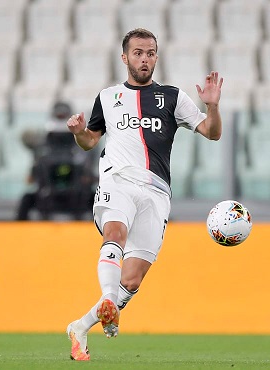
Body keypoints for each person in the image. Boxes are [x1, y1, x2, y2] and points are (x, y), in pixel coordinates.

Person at [65, 28, 224, 361]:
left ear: (156, 57)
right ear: (125, 58)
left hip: (156, 192)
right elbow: (91, 140)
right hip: (117, 179)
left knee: (133, 279)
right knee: (115, 232)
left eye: (150, 53)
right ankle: (109, 299)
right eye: (138, 53)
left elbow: (211, 133)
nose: (144, 59)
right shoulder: (108, 97)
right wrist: (80, 132)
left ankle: (81, 325)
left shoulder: (174, 97)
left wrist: (212, 107)